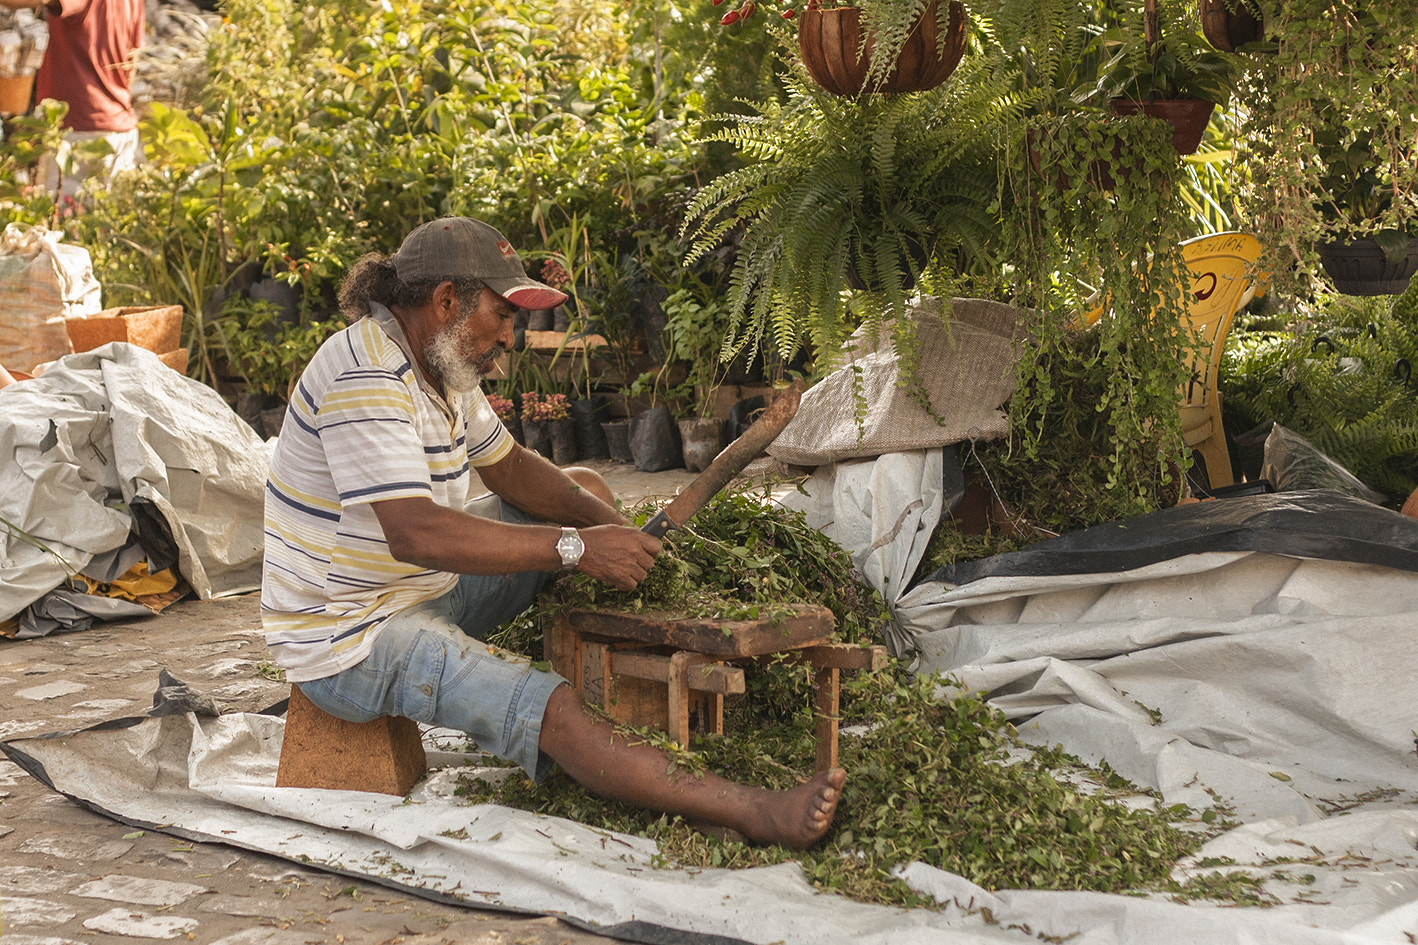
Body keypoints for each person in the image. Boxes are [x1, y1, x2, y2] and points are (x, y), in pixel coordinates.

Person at [262, 216, 845, 849]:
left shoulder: (439, 362)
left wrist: (622, 533)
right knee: (551, 704)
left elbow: (509, 467)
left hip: (420, 588)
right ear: (446, 300)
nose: (511, 337)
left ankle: (614, 687)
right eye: (504, 315)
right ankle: (755, 811)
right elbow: (416, 534)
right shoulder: (365, 376)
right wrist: (576, 548)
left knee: (587, 491)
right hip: (352, 635)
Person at [0, 0, 145, 196]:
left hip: (77, 130)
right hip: (120, 128)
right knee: (105, 219)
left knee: (62, 217)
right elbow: (133, 60)